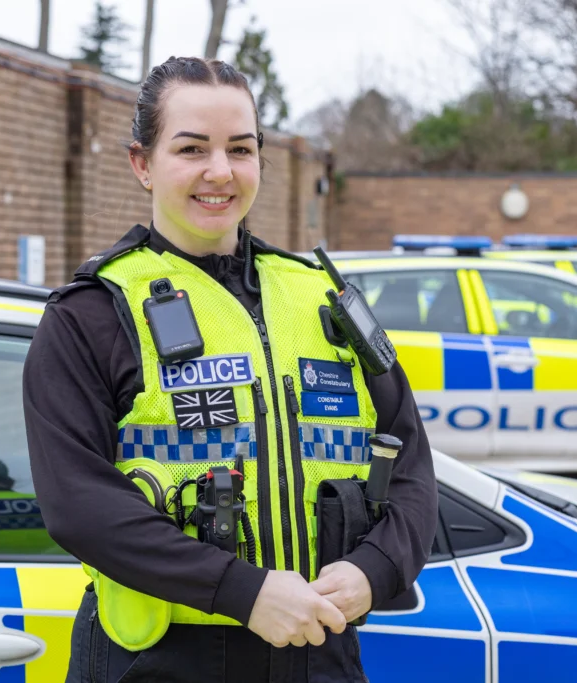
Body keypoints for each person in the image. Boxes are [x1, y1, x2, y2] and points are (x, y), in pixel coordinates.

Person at [23, 56, 437, 683]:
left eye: (240, 149)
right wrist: (243, 592)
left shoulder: (323, 299)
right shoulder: (91, 314)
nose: (220, 172)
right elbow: (77, 503)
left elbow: (409, 461)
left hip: (319, 652)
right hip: (161, 662)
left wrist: (373, 570)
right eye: (192, 148)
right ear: (142, 164)